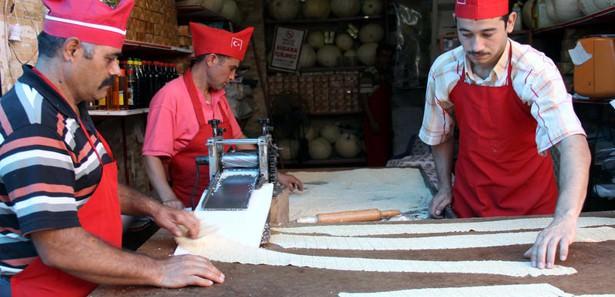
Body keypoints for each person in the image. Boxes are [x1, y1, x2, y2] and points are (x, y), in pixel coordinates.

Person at [0, 1, 224, 296]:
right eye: (110, 59)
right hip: (41, 289)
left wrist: (155, 209)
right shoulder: (35, 126)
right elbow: (59, 246)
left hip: (90, 282)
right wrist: (158, 269)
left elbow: (88, 184)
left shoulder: (69, 107)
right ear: (72, 50)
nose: (118, 71)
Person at [419, 0, 591, 269]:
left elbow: (572, 142)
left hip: (533, 213)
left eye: (487, 33)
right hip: (469, 208)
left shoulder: (535, 70)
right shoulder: (444, 70)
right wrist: (444, 186)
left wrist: (565, 219)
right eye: (466, 34)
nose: (476, 46)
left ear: (509, 22)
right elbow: (439, 133)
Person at [143, 23, 303, 210]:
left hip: (229, 200)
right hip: (192, 207)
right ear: (211, 59)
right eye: (231, 68)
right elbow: (152, 156)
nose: (233, 76)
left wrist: (274, 174)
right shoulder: (170, 97)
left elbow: (238, 139)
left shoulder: (218, 97)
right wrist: (168, 200)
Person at [362, 44, 393, 167]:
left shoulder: (387, 74)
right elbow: (364, 99)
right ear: (377, 57)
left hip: (385, 119)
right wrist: (372, 121)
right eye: (383, 56)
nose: (386, 60)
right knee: (376, 154)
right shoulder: (368, 73)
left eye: (388, 57)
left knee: (385, 153)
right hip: (374, 119)